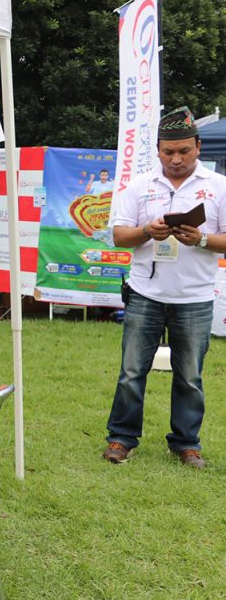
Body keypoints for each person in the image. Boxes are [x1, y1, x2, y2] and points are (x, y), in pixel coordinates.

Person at [103, 107, 226, 469]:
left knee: (190, 376)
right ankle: (121, 438)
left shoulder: (218, 186)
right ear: (157, 150)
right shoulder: (140, 186)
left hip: (195, 298)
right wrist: (146, 232)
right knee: (131, 372)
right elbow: (119, 235)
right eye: (168, 151)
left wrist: (202, 239)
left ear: (198, 147)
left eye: (184, 151)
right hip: (145, 294)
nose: (175, 158)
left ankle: (186, 444)